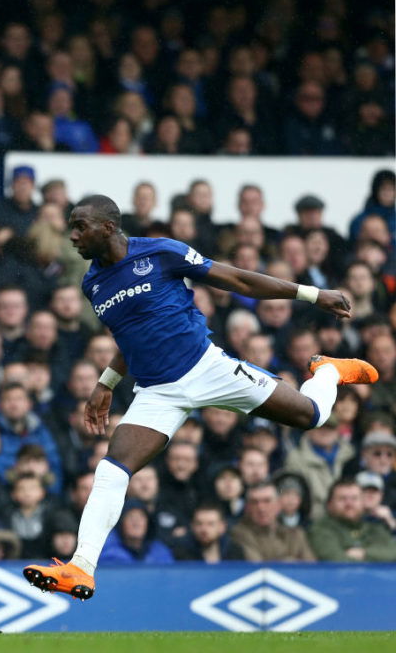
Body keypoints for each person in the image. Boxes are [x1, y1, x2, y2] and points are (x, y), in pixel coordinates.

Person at [24, 194, 376, 599]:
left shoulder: (160, 252)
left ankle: (329, 370)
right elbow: (130, 335)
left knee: (311, 415)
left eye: (80, 226)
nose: (72, 236)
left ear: (107, 226)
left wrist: (312, 295)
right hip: (158, 391)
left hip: (208, 369)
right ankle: (81, 567)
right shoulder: (92, 283)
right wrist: (106, 382)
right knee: (112, 468)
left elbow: (238, 279)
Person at [308, 479, 396, 562]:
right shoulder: (321, 528)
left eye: (354, 498)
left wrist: (364, 553)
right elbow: (336, 560)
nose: (349, 504)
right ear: (329, 504)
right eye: (342, 499)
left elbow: (393, 552)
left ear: (362, 502)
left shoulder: (374, 527)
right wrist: (376, 559)